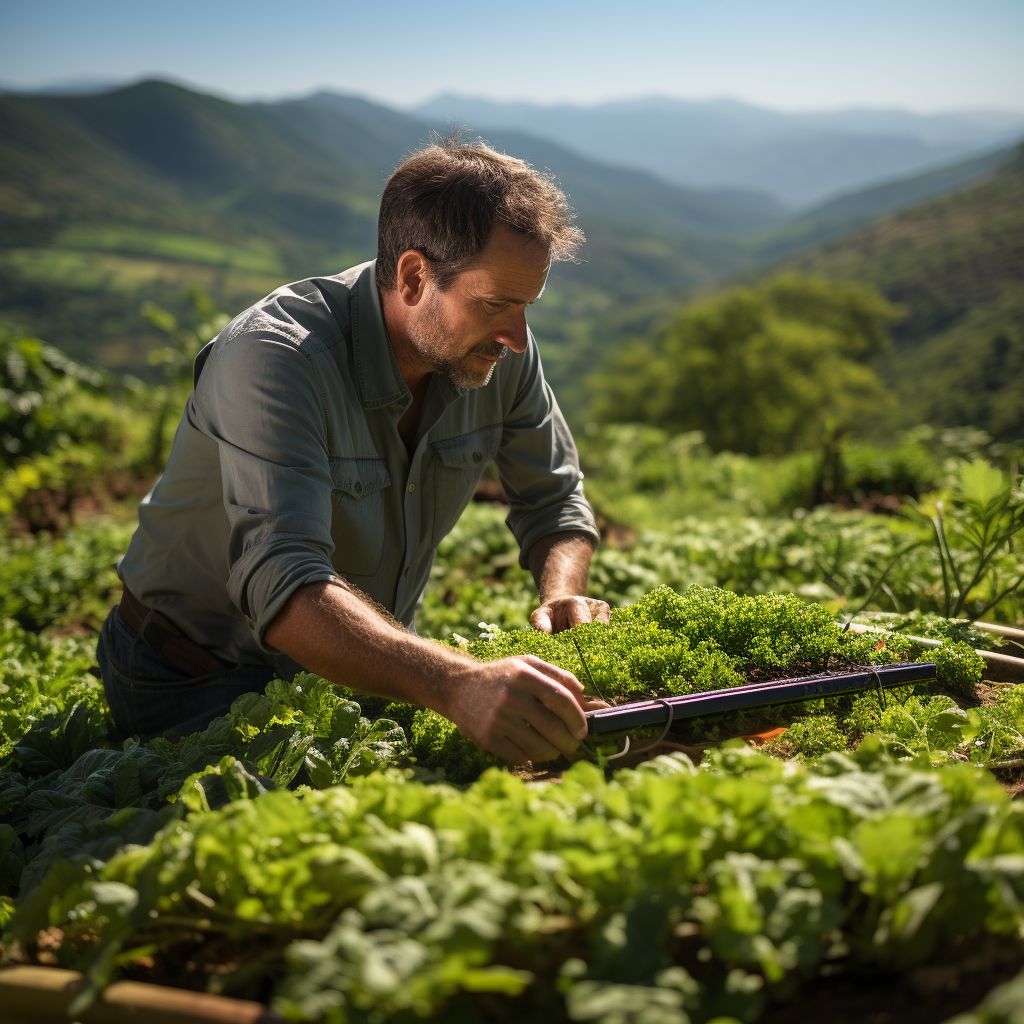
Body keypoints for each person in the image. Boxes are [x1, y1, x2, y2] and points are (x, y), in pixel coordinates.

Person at [96, 138, 610, 764]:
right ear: (415, 276)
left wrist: (560, 592)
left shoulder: (490, 354)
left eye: (526, 306)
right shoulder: (276, 360)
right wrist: (455, 681)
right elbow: (285, 585)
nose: (518, 338)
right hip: (194, 676)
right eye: (497, 304)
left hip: (360, 666)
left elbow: (555, 500)